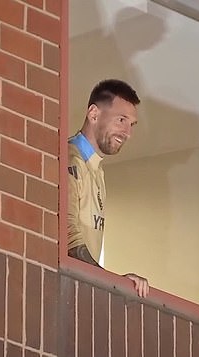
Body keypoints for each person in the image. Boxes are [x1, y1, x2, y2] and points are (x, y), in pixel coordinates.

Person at [67, 79, 150, 298]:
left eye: (131, 124)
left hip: (80, 292)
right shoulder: (70, 160)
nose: (127, 132)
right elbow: (67, 238)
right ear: (93, 114)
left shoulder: (97, 171)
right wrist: (111, 284)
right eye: (121, 120)